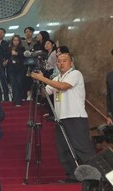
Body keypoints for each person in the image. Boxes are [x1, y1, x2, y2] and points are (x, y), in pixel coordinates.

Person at [31, 52, 96, 183]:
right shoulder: (56, 78)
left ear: (71, 63)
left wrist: (43, 79)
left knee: (82, 147)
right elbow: (45, 93)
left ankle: (94, 176)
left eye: (64, 61)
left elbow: (63, 87)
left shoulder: (75, 74)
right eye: (59, 61)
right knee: (64, 149)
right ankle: (73, 175)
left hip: (75, 116)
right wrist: (37, 83)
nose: (61, 63)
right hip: (60, 118)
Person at [5, 35, 26, 107]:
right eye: (14, 40)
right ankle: (16, 101)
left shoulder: (22, 48)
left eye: (17, 40)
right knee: (14, 84)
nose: (15, 42)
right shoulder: (8, 48)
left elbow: (23, 56)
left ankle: (19, 99)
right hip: (11, 68)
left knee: (19, 83)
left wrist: (16, 53)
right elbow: (6, 56)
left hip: (20, 68)